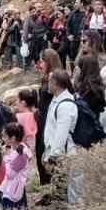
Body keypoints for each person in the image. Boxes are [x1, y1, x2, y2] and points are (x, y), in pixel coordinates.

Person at [43, 71, 85, 203]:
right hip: (57, 152)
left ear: (55, 84)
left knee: (65, 186)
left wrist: (53, 156)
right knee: (59, 186)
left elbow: (61, 134)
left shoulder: (65, 105)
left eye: (49, 81)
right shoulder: (56, 100)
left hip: (63, 154)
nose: (47, 84)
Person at [34, 48, 62, 188]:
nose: (40, 64)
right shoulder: (47, 76)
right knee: (39, 152)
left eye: (42, 61)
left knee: (44, 151)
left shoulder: (54, 77)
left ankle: (49, 187)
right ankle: (44, 185)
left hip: (49, 118)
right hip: (42, 116)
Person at [0, 122, 31, 210]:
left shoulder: (20, 155)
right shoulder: (13, 147)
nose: (3, 139)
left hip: (13, 190)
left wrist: (5, 158)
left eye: (4, 136)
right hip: (9, 187)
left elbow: (10, 174)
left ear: (13, 138)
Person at [65, 0, 86, 68]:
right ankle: (73, 74)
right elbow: (67, 25)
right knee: (72, 57)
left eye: (77, 2)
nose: (75, 4)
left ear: (82, 4)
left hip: (83, 40)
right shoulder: (72, 13)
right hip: (73, 39)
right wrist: (68, 35)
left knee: (82, 58)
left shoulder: (86, 14)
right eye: (75, 2)